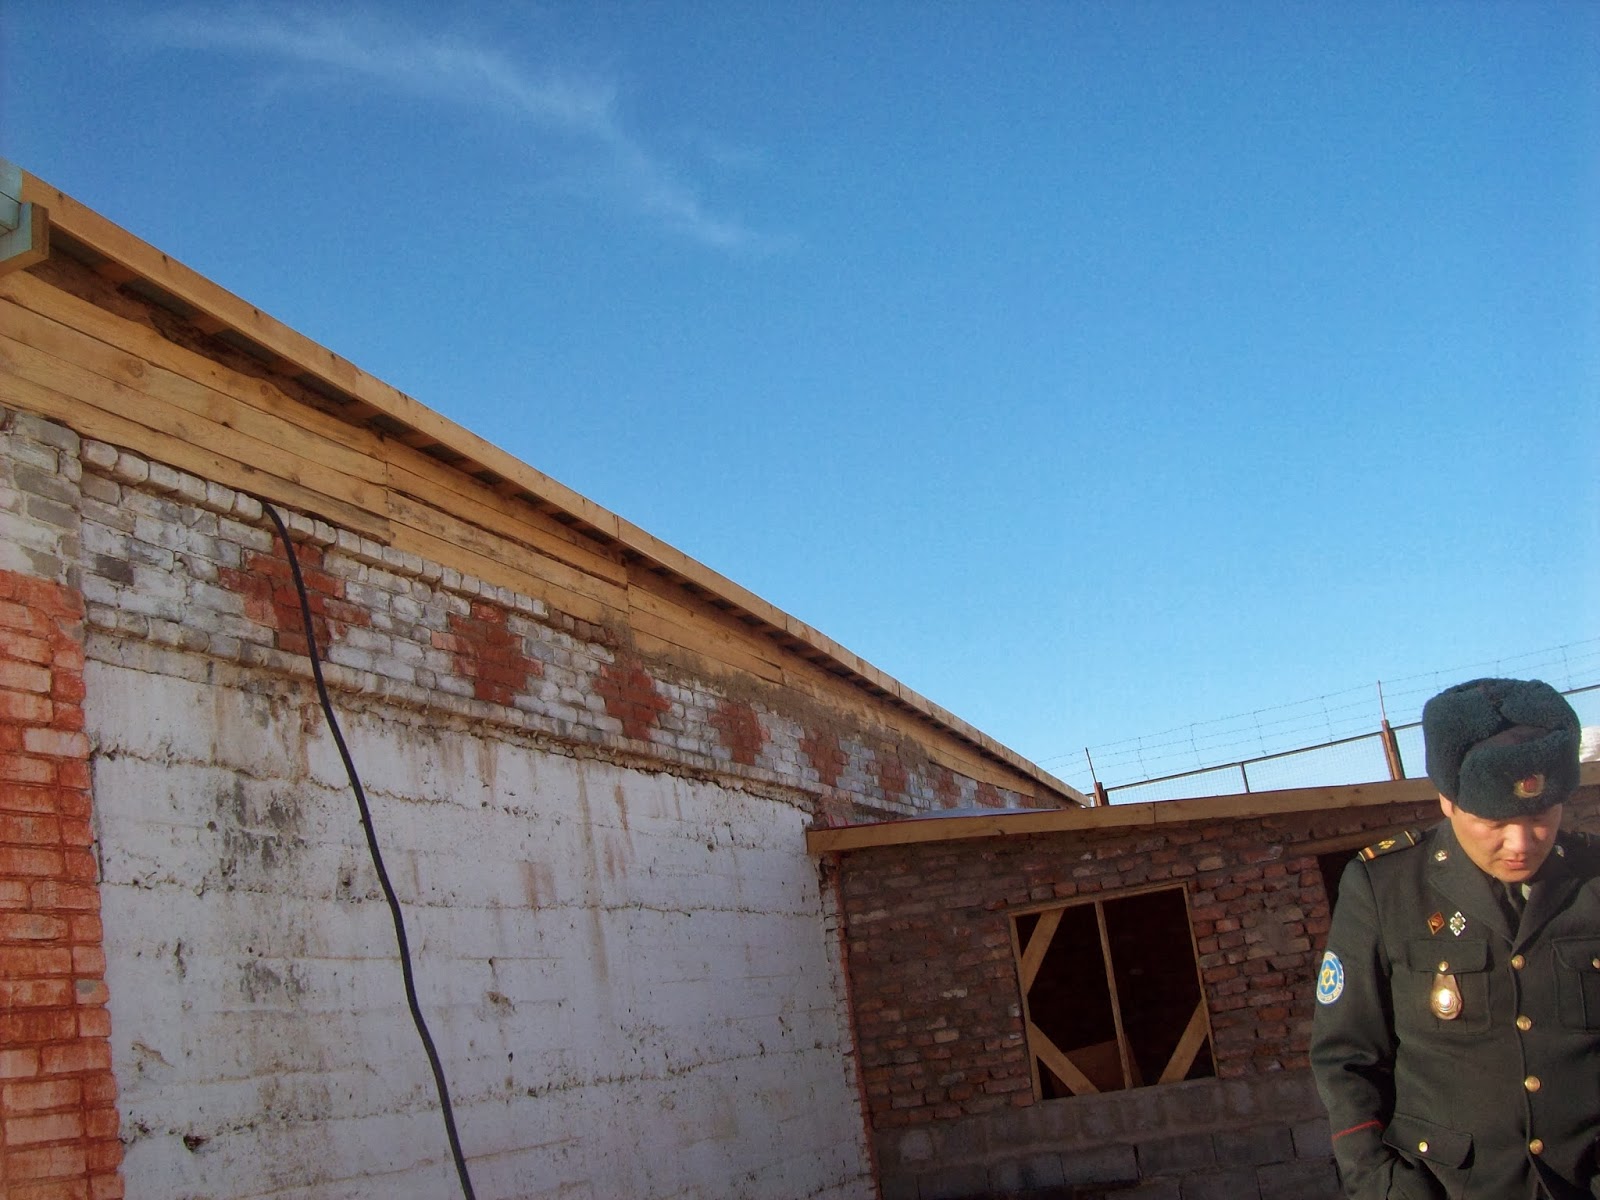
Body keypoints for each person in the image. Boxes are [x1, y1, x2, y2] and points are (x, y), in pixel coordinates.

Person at [1311, 677, 1592, 1200]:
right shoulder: (1384, 888)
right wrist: (1381, 1184)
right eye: (1495, 822)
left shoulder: (1592, 876)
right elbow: (1345, 1057)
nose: (1521, 843)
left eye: (1540, 817)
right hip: (1450, 1187)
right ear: (1447, 800)